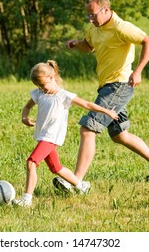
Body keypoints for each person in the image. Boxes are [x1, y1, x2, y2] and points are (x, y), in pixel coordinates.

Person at [54, 0, 149, 194]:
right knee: (119, 135)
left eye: (93, 14)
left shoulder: (121, 27)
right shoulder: (95, 28)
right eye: (88, 15)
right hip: (107, 86)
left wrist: (138, 70)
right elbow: (88, 46)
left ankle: (76, 182)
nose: (90, 19)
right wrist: (76, 44)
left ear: (106, 10)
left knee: (88, 129)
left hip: (119, 85)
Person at [13, 60, 119, 207]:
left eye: (43, 85)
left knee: (31, 162)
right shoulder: (39, 93)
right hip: (42, 136)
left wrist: (107, 111)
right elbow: (27, 106)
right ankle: (81, 186)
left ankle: (26, 199)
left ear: (51, 77)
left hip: (51, 137)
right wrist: (24, 117)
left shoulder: (64, 96)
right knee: (56, 168)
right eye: (38, 86)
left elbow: (87, 104)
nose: (41, 88)